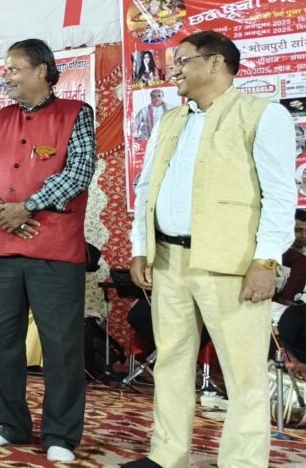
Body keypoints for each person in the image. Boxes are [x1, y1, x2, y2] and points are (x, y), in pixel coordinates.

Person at [126, 31, 296, 468]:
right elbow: (147, 187)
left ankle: (242, 463)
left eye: (182, 61)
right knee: (171, 362)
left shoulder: (261, 114)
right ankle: (167, 456)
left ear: (216, 63)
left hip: (231, 263)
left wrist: (266, 260)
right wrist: (141, 246)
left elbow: (280, 196)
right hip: (169, 260)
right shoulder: (170, 120)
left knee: (243, 373)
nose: (174, 71)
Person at [0, 38, 96, 463]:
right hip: (2, 248)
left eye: (14, 69)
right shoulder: (0, 118)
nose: (6, 76)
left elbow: (78, 171)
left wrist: (28, 207)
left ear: (42, 71)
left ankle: (60, 434)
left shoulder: (76, 114)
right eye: (5, 70)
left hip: (55, 249)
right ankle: (11, 424)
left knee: (61, 345)